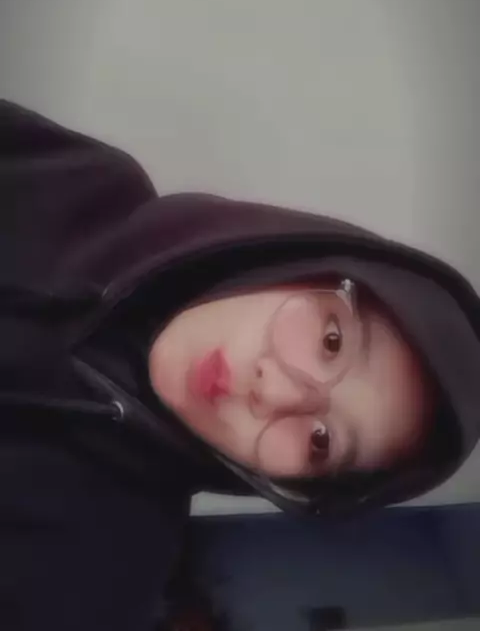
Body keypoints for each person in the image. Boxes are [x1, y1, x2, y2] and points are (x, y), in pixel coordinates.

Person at [1, 99, 480, 630]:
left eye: (321, 441)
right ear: (303, 262)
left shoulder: (96, 580)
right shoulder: (82, 181)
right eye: (330, 340)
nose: (273, 394)